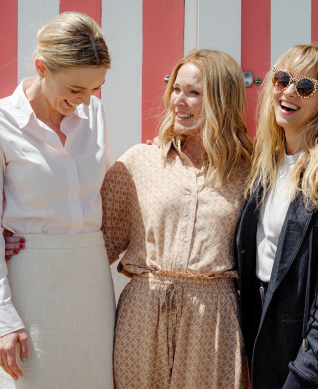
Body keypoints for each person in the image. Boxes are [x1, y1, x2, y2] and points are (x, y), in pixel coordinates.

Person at [0, 12, 115, 388]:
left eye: (94, 89)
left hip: (92, 285)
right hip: (31, 287)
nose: (84, 101)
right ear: (41, 68)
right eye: (75, 89)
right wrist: (3, 317)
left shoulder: (93, 113)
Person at [100, 49, 253, 388]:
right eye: (176, 89)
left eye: (194, 92)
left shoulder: (250, 171)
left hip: (213, 320)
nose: (179, 102)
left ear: (222, 101)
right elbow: (96, 245)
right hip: (143, 314)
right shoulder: (139, 162)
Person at [236, 44, 318, 389]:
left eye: (306, 86)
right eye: (282, 79)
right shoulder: (263, 166)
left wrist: (307, 371)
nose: (290, 91)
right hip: (262, 328)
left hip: (307, 352)